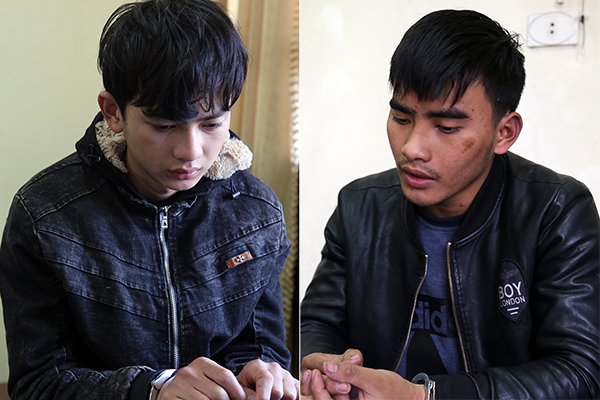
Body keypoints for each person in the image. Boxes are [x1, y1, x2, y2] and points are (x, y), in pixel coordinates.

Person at [0, 1, 298, 399]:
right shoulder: (45, 216)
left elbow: (258, 346)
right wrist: (151, 390)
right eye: (164, 125)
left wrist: (262, 371)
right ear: (113, 112)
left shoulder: (256, 212)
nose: (191, 152)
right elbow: (37, 383)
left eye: (212, 123)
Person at [300, 9, 599, 400]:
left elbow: (580, 372)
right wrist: (326, 368)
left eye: (446, 128)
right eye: (401, 118)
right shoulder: (359, 206)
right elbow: (318, 323)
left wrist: (426, 396)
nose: (412, 148)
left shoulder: (555, 210)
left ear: (504, 133)